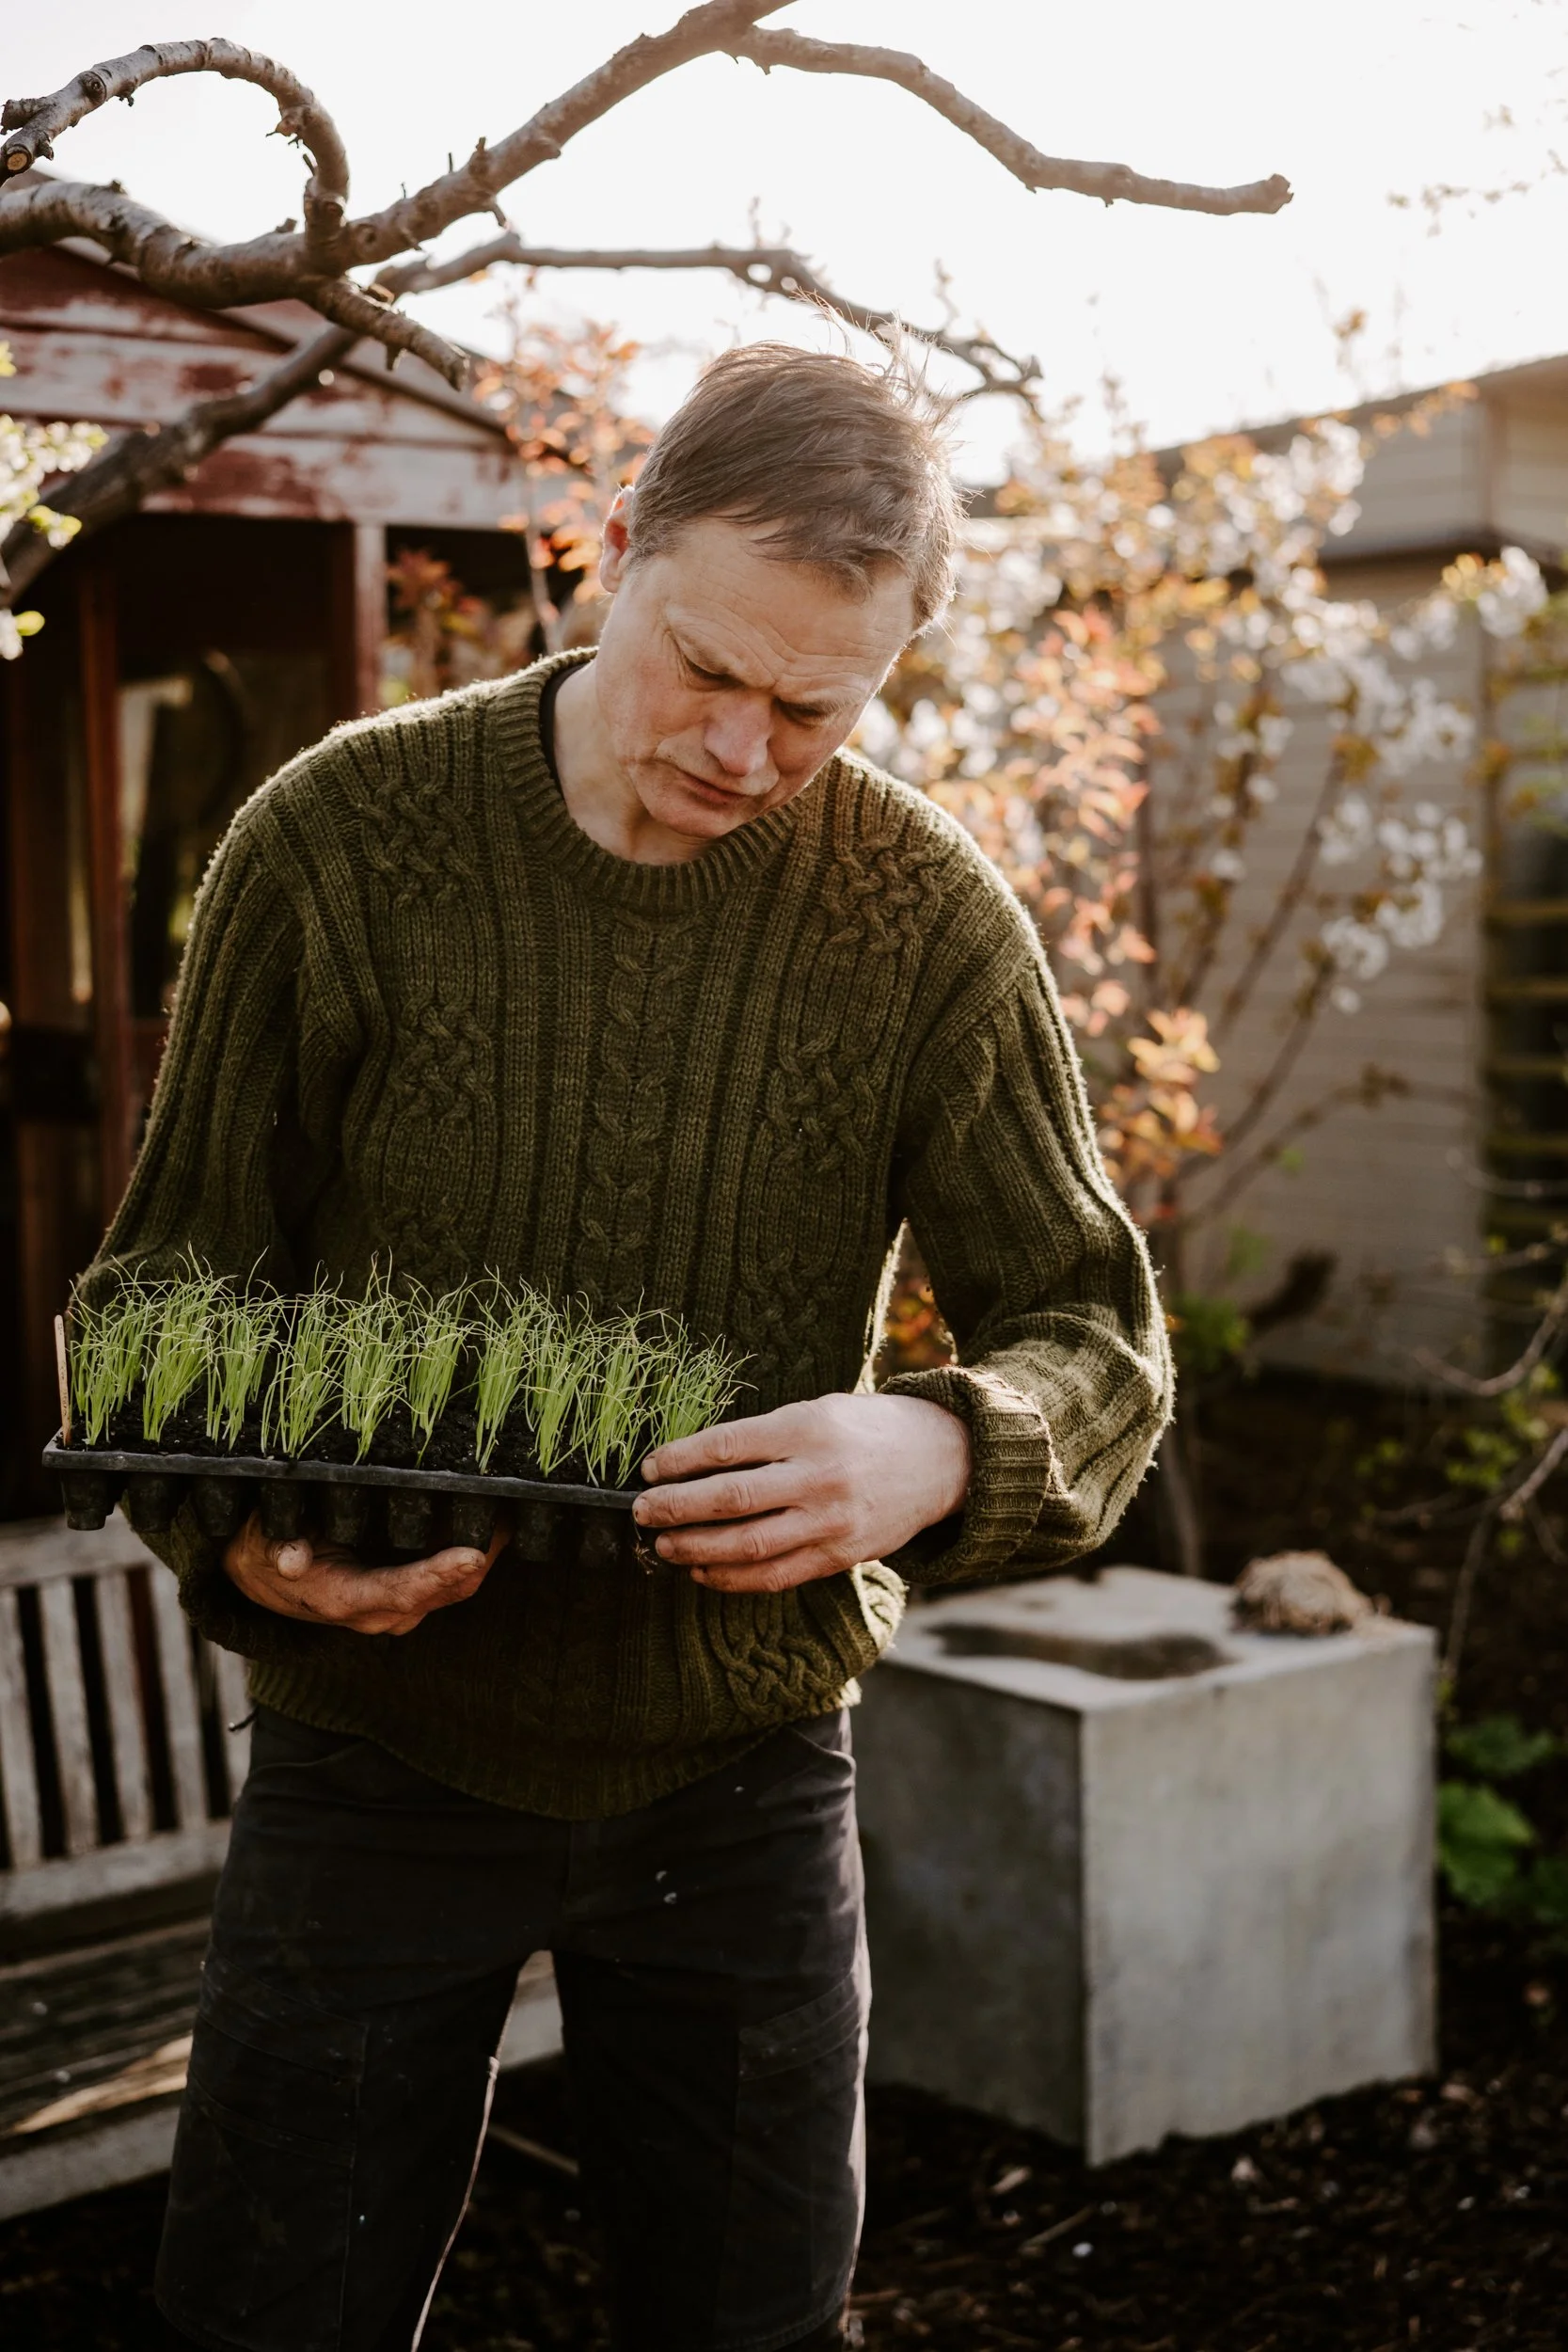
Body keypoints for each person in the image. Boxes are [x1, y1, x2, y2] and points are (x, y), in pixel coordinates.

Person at [92, 342, 1172, 2352]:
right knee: (269, 2303)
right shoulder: (336, 845)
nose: (746, 747)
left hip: (741, 1777)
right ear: (614, 551)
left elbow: (1093, 1340)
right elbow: (162, 1300)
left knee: (750, 2318)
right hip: (375, 1748)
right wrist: (236, 1534)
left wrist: (934, 1445)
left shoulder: (924, 920)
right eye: (706, 666)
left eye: (815, 706)